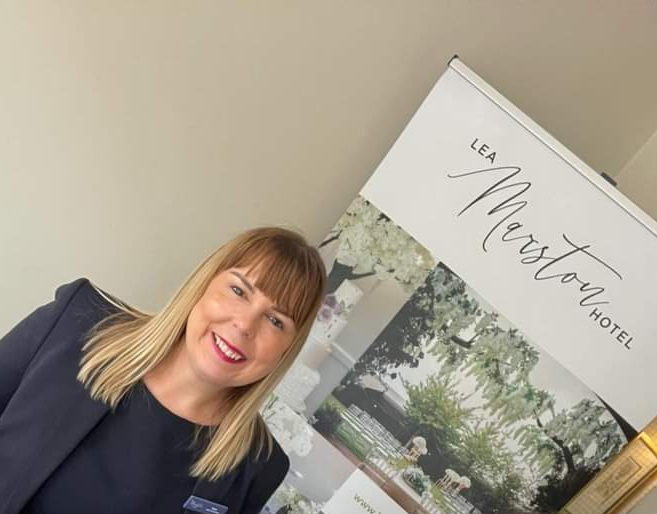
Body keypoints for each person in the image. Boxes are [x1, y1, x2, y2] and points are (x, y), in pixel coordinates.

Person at [0, 226, 327, 514]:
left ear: (287, 349)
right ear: (203, 283)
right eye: (239, 291)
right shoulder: (76, 323)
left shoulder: (257, 469)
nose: (244, 325)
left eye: (275, 321)